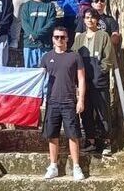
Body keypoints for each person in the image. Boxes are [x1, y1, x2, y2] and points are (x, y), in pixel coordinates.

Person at [39, 26, 86, 181]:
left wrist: (81, 100)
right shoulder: (46, 57)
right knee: (52, 135)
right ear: (53, 39)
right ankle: (53, 166)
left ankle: (76, 167)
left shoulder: (75, 56)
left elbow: (81, 79)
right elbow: (38, 79)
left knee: (73, 135)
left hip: (69, 102)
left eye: (63, 37)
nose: (60, 39)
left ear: (67, 39)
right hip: (52, 102)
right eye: (57, 37)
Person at [72, 8, 114, 156]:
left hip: (99, 81)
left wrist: (101, 71)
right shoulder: (79, 38)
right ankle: (90, 141)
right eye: (87, 17)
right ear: (83, 20)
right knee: (86, 112)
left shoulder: (103, 36)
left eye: (92, 17)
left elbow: (108, 58)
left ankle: (106, 142)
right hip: (84, 82)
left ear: (97, 20)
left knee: (103, 111)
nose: (90, 20)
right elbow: (73, 56)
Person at [21, 0, 56, 68]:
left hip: (45, 45)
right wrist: (32, 34)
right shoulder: (26, 6)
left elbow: (51, 23)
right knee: (30, 73)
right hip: (30, 44)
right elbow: (25, 23)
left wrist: (37, 35)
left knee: (45, 71)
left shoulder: (50, 6)